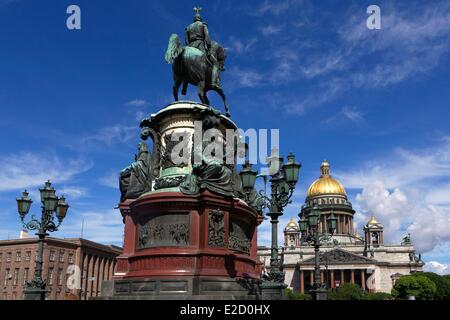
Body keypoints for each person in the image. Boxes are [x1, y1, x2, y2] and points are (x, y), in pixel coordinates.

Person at [185, 7, 220, 88]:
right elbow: (207, 37)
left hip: (190, 45)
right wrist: (208, 46)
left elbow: (186, 40)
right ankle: (214, 82)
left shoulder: (188, 27)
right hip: (200, 44)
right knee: (215, 64)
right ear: (200, 19)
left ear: (194, 19)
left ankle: (184, 86)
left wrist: (188, 46)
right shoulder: (203, 25)